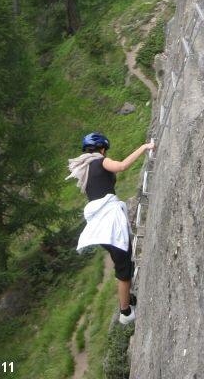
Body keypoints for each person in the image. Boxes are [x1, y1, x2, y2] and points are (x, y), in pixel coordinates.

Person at [67, 132, 155, 324]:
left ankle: (128, 300)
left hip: (101, 223)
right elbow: (122, 166)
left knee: (123, 262)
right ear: (102, 149)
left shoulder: (86, 167)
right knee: (123, 268)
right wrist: (144, 147)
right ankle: (125, 313)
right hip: (109, 222)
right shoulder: (99, 162)